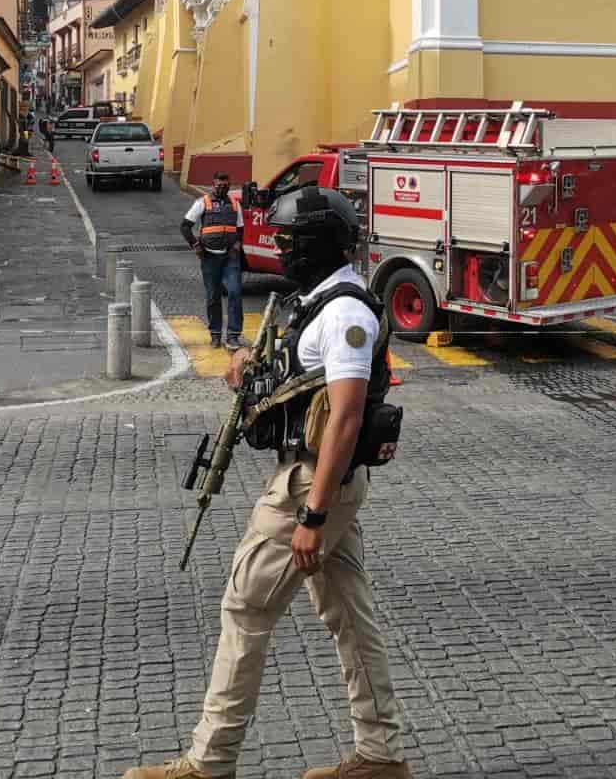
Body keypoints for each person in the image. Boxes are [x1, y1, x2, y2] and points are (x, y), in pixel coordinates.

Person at [127, 186, 409, 779]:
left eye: (287, 240)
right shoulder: (315, 302)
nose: (280, 249)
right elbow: (296, 381)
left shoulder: (345, 313)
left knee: (246, 605)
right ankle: (380, 756)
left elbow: (347, 413)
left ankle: (210, 762)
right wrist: (245, 369)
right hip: (319, 479)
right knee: (350, 617)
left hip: (310, 483)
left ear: (315, 244)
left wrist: (311, 515)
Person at [181, 172, 246, 350]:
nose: (222, 188)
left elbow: (240, 229)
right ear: (213, 184)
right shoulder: (202, 202)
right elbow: (185, 226)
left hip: (230, 258)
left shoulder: (234, 204)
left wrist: (238, 244)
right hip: (209, 257)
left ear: (229, 185)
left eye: (225, 185)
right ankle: (215, 334)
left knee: (234, 292)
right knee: (213, 296)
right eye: (219, 185)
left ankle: (233, 336)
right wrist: (196, 245)